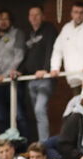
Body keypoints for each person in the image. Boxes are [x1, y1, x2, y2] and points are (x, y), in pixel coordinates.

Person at [0, 9, 27, 135]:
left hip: (12, 82)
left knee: (19, 115)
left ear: (10, 21)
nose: (2, 22)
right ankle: (4, 145)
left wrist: (5, 75)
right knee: (0, 117)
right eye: (0, 19)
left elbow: (19, 55)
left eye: (5, 19)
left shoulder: (17, 33)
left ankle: (24, 146)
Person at [50, 1, 83, 92]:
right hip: (73, 77)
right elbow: (57, 50)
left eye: (81, 12)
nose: (78, 15)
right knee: (78, 103)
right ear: (71, 13)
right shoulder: (66, 28)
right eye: (76, 12)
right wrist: (55, 68)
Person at [23, 5, 58, 143]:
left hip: (45, 77)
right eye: (31, 15)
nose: (34, 18)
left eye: (37, 15)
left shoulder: (49, 29)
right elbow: (25, 56)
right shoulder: (29, 33)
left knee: (39, 109)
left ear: (43, 16)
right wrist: (20, 70)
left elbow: (51, 49)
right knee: (35, 112)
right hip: (31, 78)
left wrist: (46, 69)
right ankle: (40, 140)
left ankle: (44, 143)